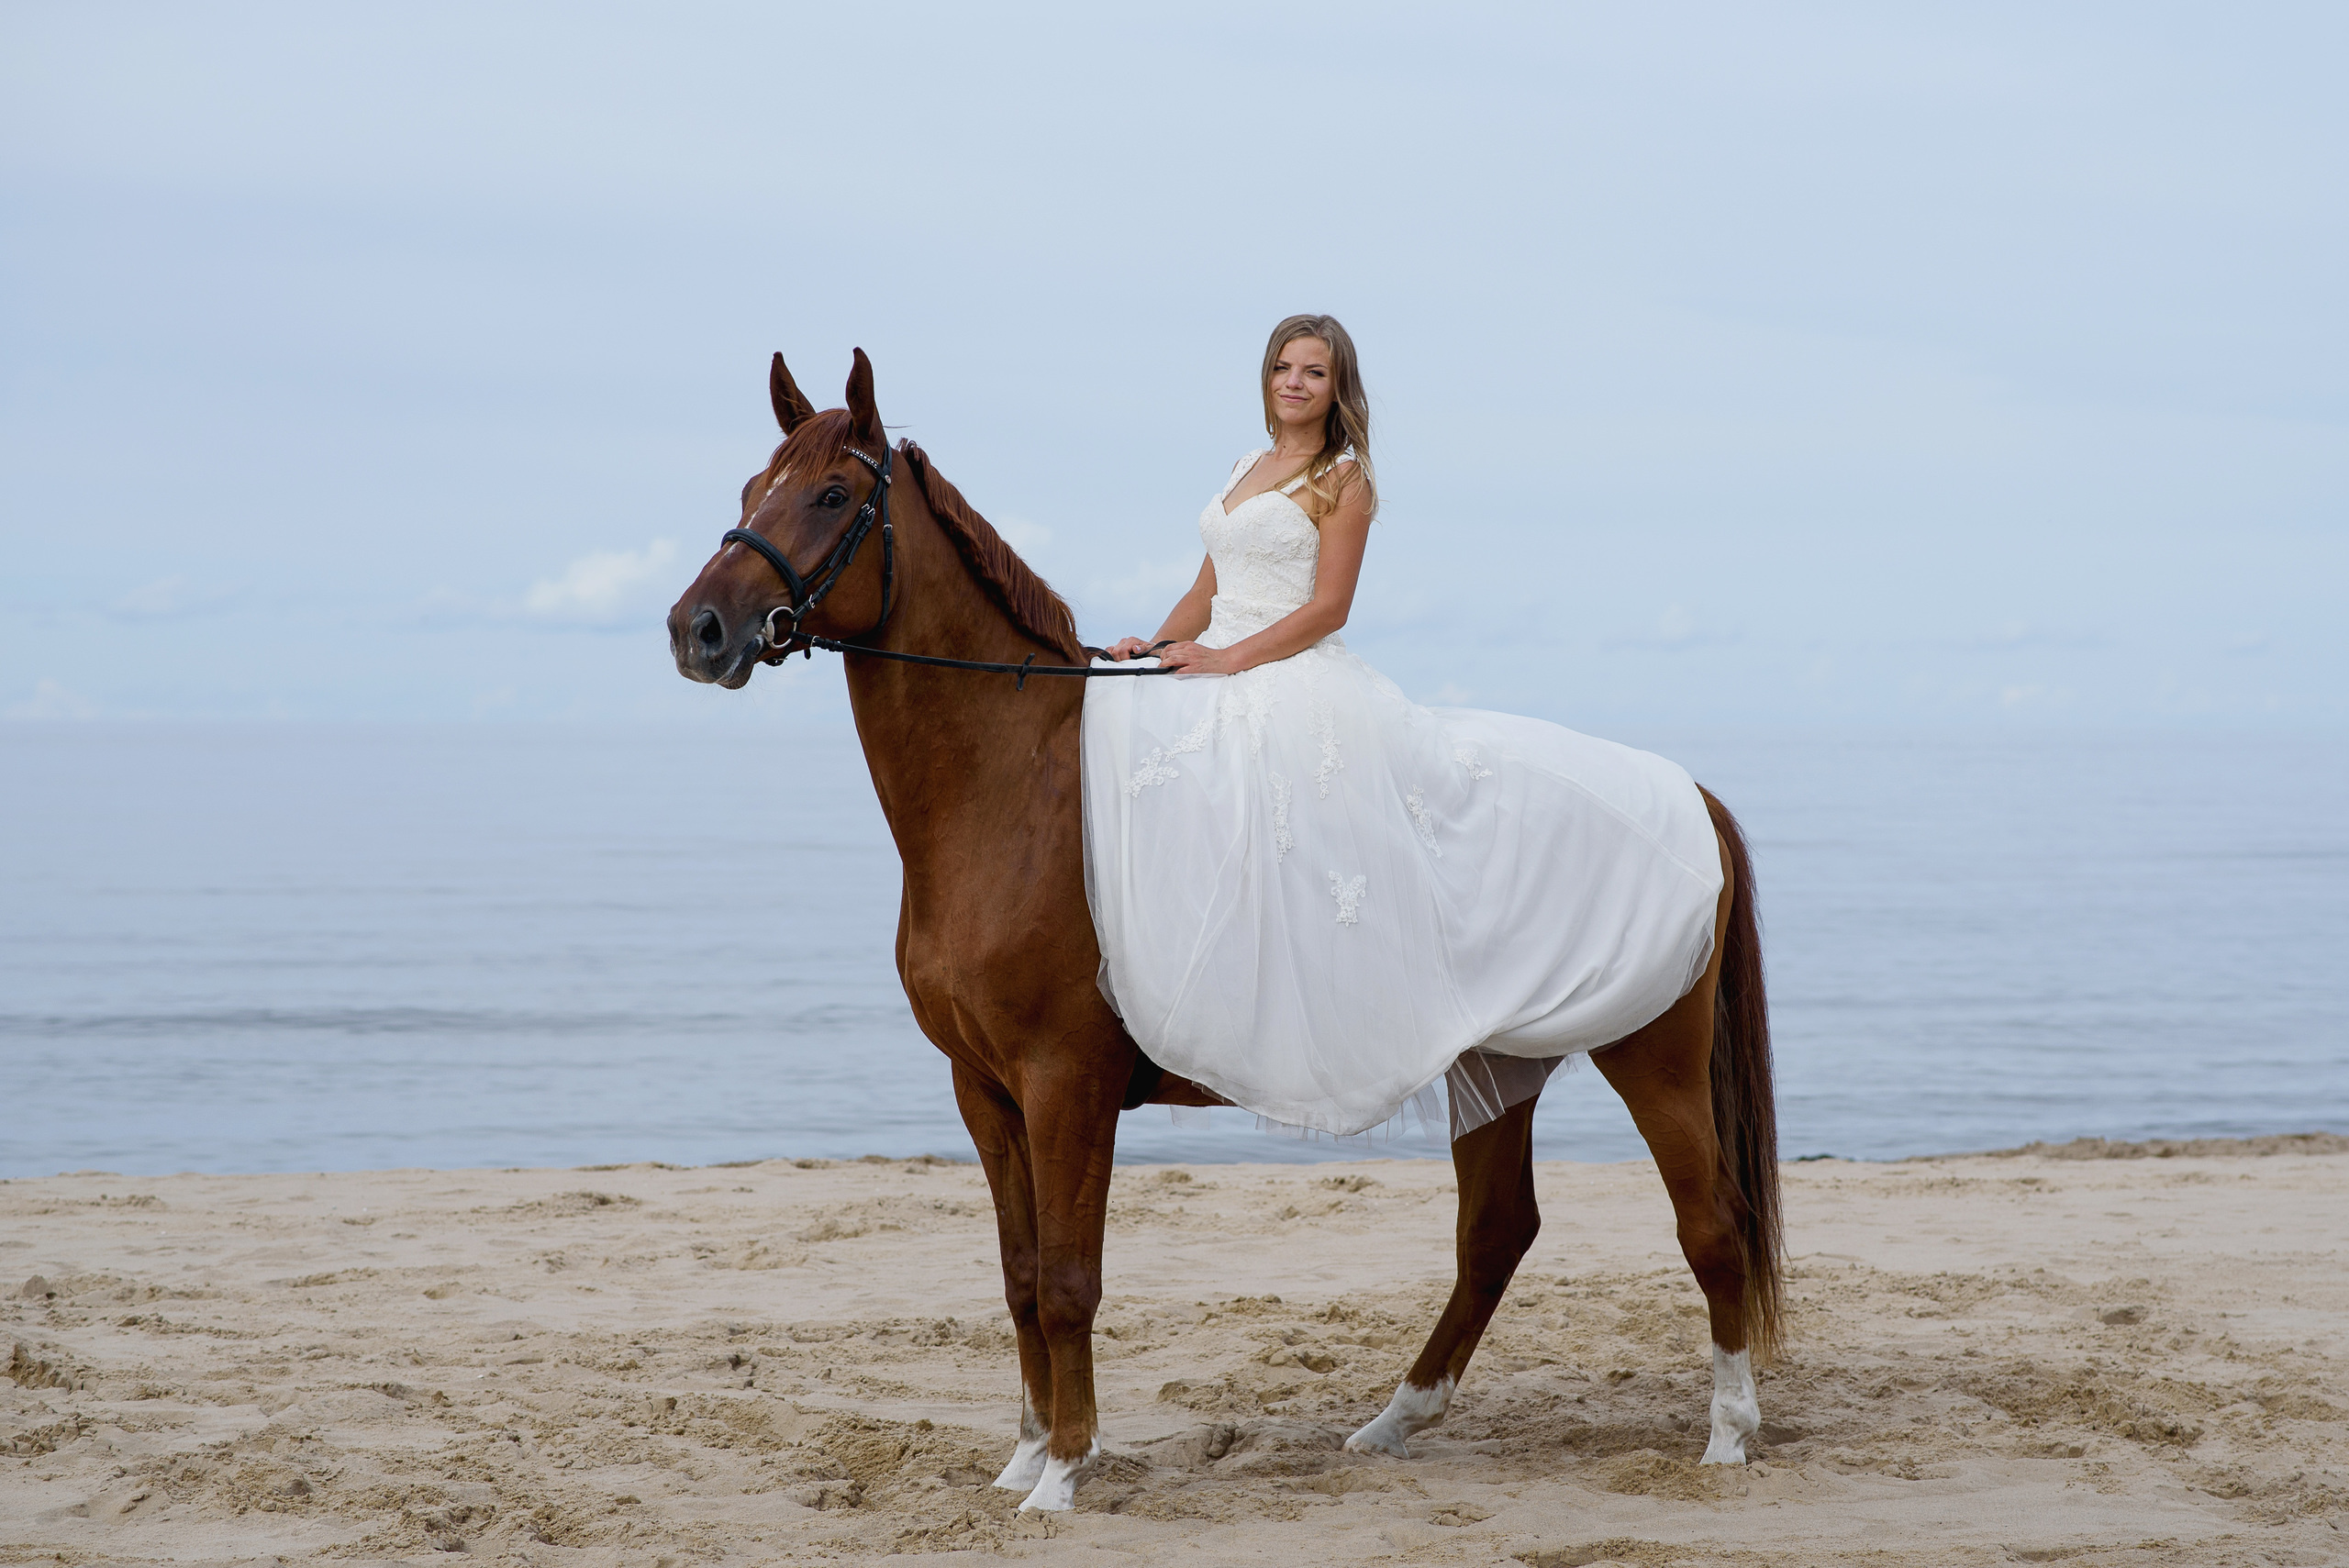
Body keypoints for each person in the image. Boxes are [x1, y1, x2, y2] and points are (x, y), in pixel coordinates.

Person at [1083, 314, 1724, 1138]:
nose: (1294, 382)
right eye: (1283, 366)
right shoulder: (1247, 465)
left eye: (1313, 371)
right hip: (1219, 648)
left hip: (1285, 665)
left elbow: (1328, 608)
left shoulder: (1345, 479)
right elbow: (1209, 585)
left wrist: (1228, 661)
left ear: (1335, 385)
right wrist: (1164, 641)